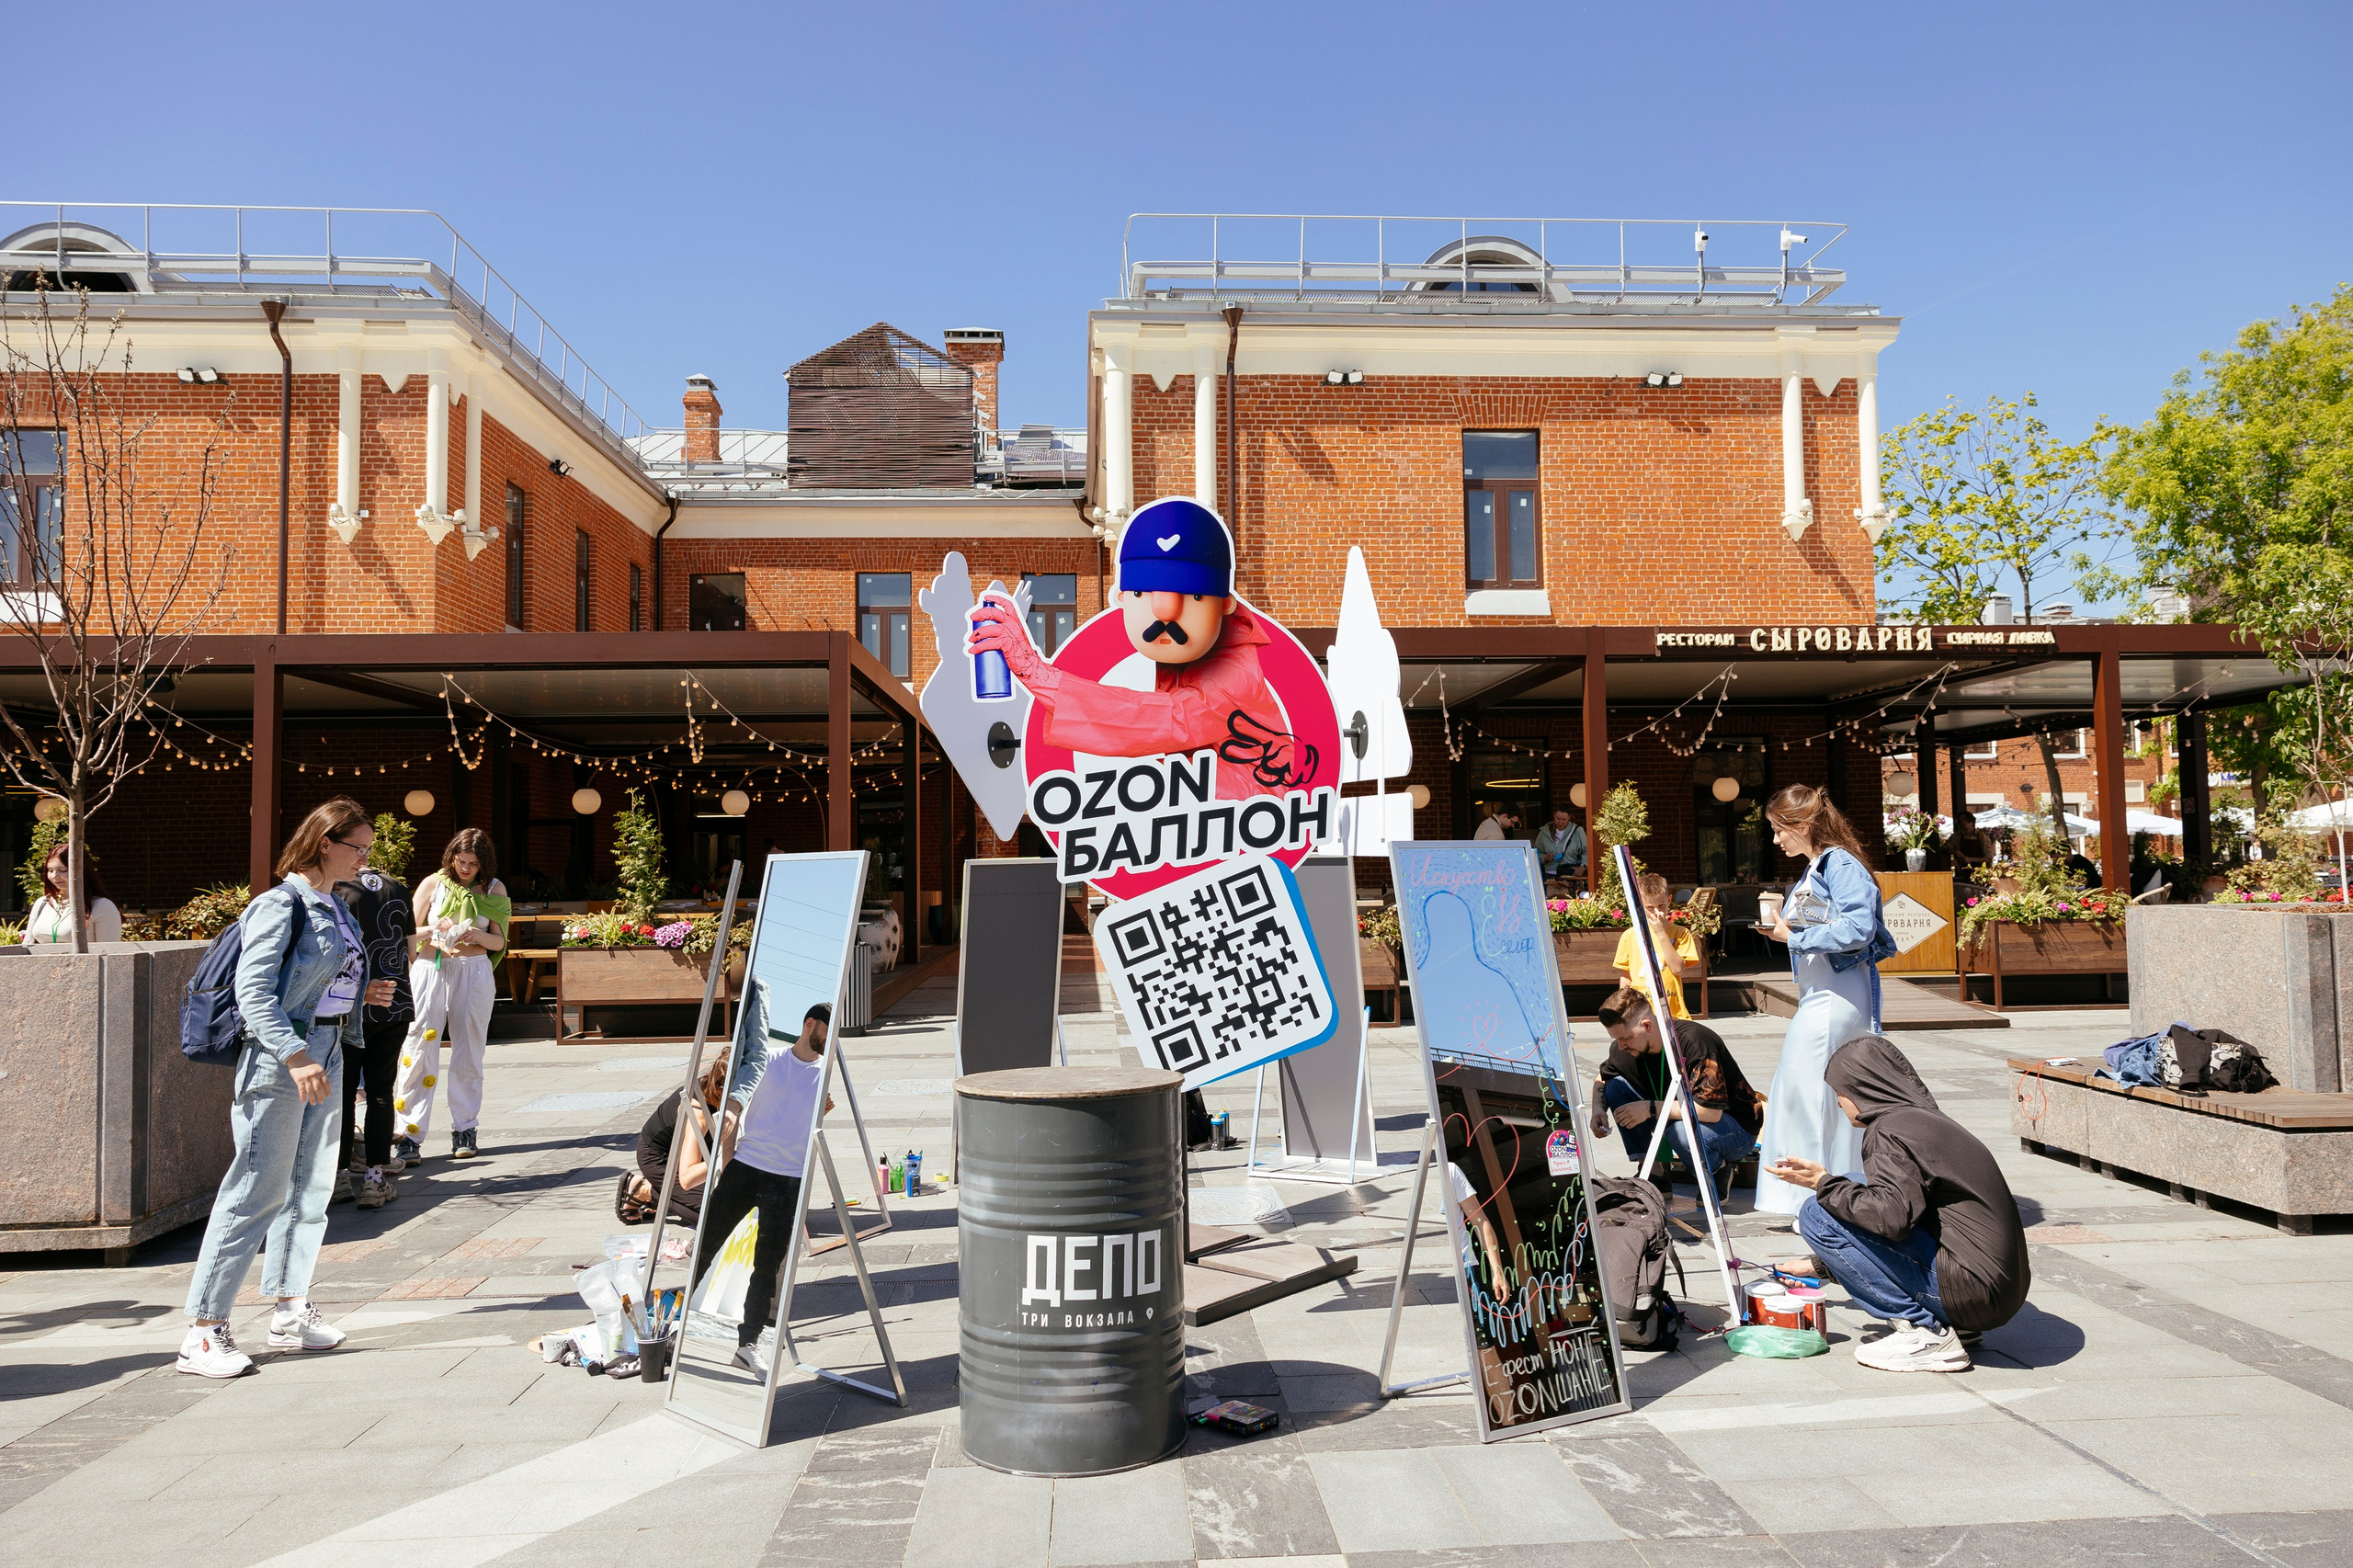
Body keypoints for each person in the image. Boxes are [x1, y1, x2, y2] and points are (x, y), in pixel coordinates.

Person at [177, 799, 392, 1377]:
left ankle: (290, 1310)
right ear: (327, 842)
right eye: (359, 847)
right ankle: (202, 1330)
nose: (366, 859)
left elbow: (320, 979)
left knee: (311, 1189)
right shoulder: (279, 904)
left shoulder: (338, 907)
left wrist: (358, 995)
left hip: (326, 1054)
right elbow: (254, 992)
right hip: (283, 1060)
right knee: (255, 1190)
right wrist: (295, 1054)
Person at [967, 496, 1313, 801]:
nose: (1165, 611)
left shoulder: (1233, 668)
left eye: (1193, 594)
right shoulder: (1187, 654)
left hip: (1251, 830)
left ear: (1223, 604)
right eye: (1141, 593)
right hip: (1210, 832)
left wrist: (1037, 672)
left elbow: (1169, 721)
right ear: (1122, 597)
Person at [1766, 1034, 2030, 1373]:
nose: (1838, 1103)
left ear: (1863, 1089)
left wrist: (1822, 1183)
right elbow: (1912, 1212)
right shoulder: (1923, 1121)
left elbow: (1891, 1220)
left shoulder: (1887, 1131)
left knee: (1818, 1212)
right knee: (1852, 1182)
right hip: (1997, 1290)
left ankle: (1925, 1333)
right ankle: (1953, 1323)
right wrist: (1823, 1266)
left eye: (1840, 1093)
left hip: (1972, 1293)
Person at [1754, 784, 1896, 1218]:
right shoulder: (1821, 865)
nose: (1776, 840)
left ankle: (1815, 1202)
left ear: (1804, 825)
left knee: (1809, 1095)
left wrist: (1794, 936)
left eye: (1780, 830)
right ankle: (1829, 1196)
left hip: (1837, 998)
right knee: (1814, 1096)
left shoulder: (1839, 863)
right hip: (1824, 995)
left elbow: (1858, 929)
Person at [693, 1003, 834, 1376]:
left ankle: (748, 1344)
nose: (831, 1038)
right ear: (809, 1025)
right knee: (704, 1247)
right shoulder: (768, 1060)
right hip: (747, 1168)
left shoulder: (826, 1074)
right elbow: (733, 1109)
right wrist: (724, 1163)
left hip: (789, 1180)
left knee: (767, 1269)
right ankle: (670, 1329)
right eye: (827, 1029)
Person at [392, 829, 508, 1164]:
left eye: (474, 863)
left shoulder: (493, 888)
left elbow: (499, 942)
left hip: (472, 970)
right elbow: (408, 933)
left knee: (469, 1049)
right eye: (461, 862)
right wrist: (435, 931)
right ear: (451, 858)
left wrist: (475, 934)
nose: (467, 869)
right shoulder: (433, 883)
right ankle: (409, 1133)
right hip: (431, 969)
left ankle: (465, 1127)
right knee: (418, 1046)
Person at [1589, 987, 1765, 1202]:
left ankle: (1718, 1169)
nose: (1621, 1046)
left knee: (1681, 1130)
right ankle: (1654, 1173)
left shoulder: (1695, 1042)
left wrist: (1648, 1108)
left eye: (1625, 1038)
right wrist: (1598, 1109)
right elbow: (1603, 1077)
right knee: (1616, 1086)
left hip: (1735, 1125)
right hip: (1674, 1113)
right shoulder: (1625, 1048)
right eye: (1616, 1039)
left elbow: (1709, 1113)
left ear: (1646, 1025)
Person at [333, 863, 415, 1210]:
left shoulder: (337, 888)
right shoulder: (397, 887)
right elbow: (411, 951)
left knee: (343, 1091)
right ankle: (374, 1180)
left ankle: (337, 1177)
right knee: (381, 1090)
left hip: (348, 1004)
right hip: (393, 1001)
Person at [623, 1054, 733, 1228]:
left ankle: (674, 1196)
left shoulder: (717, 1089)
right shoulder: (699, 1115)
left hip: (697, 1153)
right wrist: (730, 1158)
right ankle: (646, 1191)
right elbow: (688, 1177)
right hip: (660, 1160)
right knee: (720, 1217)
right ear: (721, 1088)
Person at [1612, 872, 1702, 1019]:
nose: (1657, 911)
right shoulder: (1630, 935)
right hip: (1640, 1011)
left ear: (1669, 900)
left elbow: (1678, 969)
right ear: (1640, 906)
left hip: (1672, 1012)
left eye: (1661, 905)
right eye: (1650, 907)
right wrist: (1623, 1007)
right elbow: (1626, 977)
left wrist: (1661, 934)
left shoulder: (1681, 933)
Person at [24, 841, 122, 946]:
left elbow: (109, 952)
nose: (54, 876)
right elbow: (27, 945)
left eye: (62, 870)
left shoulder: (102, 906)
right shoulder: (42, 903)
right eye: (50, 870)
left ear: (81, 870)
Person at [1534, 809, 1586, 879]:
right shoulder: (1544, 832)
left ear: (1569, 817)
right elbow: (1536, 853)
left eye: (1564, 819)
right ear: (1554, 815)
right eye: (1558, 818)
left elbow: (1587, 852)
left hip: (1570, 874)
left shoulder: (1577, 831)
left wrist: (1583, 866)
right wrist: (1545, 858)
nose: (1560, 822)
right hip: (1550, 874)